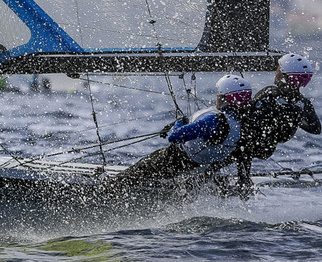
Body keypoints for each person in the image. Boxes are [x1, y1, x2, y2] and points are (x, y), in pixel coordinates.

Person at [107, 74, 252, 195]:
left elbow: (174, 137)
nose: (217, 99)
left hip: (175, 159)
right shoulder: (242, 122)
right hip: (198, 166)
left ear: (225, 98)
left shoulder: (214, 121)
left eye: (219, 96)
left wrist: (179, 122)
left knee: (131, 175)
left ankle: (107, 191)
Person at [230, 53, 322, 188]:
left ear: (285, 76)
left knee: (241, 139)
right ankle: (243, 178)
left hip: (249, 147)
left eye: (279, 69)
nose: (276, 72)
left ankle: (243, 180)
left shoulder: (269, 93)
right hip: (269, 148)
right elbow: (316, 129)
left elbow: (247, 117)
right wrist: (295, 118)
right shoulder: (303, 103)